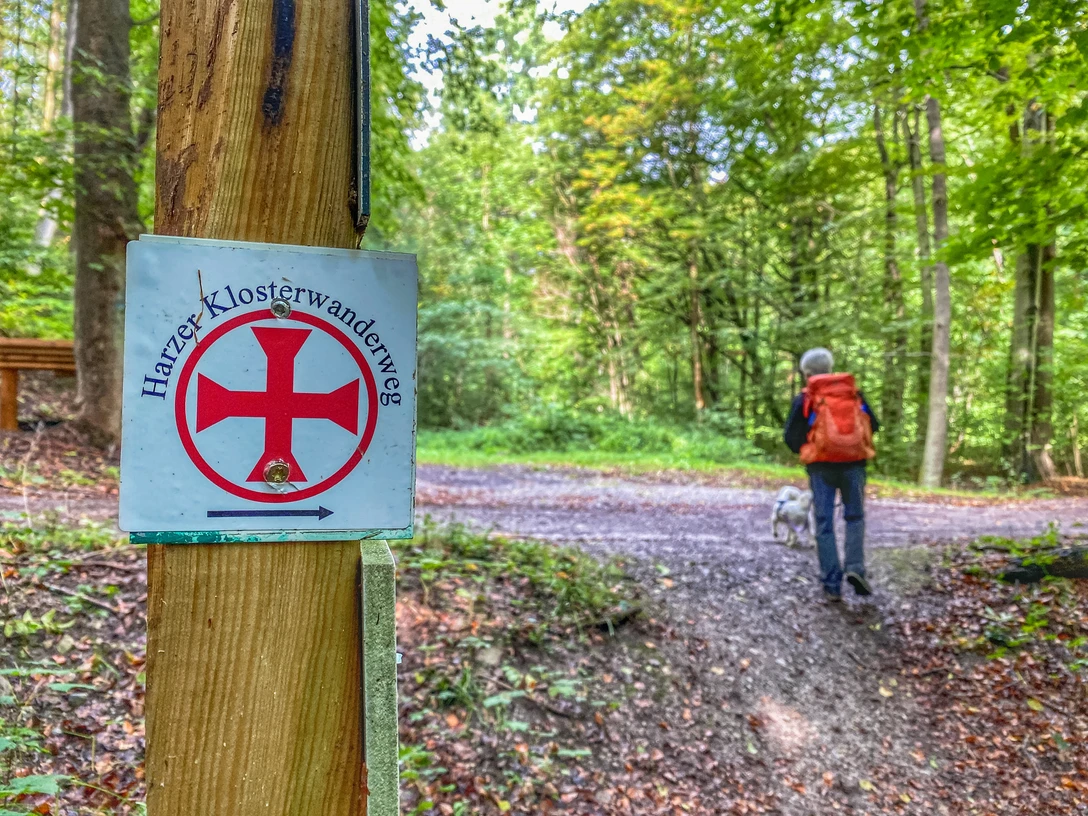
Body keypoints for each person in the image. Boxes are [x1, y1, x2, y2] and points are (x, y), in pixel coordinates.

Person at [783, 348, 880, 602]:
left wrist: (808, 449)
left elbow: (790, 437)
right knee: (855, 517)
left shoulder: (806, 398)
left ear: (807, 373)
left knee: (824, 524)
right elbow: (874, 425)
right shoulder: (853, 394)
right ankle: (855, 569)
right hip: (855, 465)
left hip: (821, 467)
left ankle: (832, 585)